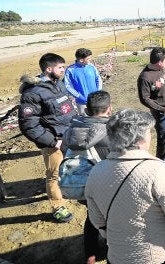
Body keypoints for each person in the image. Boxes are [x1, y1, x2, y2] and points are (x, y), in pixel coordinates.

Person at [85, 109, 165, 264]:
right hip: (155, 256)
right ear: (139, 140)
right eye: (149, 132)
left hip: (116, 256)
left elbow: (96, 218)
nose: (150, 136)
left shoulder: (96, 171)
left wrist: (113, 236)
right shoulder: (155, 170)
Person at [18, 52, 77, 223]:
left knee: (70, 167)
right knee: (53, 175)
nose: (63, 70)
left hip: (69, 135)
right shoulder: (32, 93)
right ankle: (58, 207)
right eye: (60, 67)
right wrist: (53, 142)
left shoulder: (58, 84)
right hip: (53, 142)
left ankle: (67, 190)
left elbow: (66, 108)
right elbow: (29, 125)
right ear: (48, 69)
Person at [62, 90, 112, 264]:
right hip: (104, 185)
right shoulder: (110, 133)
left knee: (92, 216)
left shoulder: (72, 129)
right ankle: (112, 247)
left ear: (87, 110)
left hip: (79, 183)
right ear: (109, 109)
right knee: (110, 217)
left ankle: (90, 253)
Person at [65, 48, 103, 115]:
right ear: (81, 60)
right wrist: (79, 96)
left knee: (98, 118)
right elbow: (68, 86)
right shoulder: (70, 70)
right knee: (85, 121)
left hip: (95, 100)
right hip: (81, 102)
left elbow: (98, 79)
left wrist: (98, 92)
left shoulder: (91, 66)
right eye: (88, 59)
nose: (90, 60)